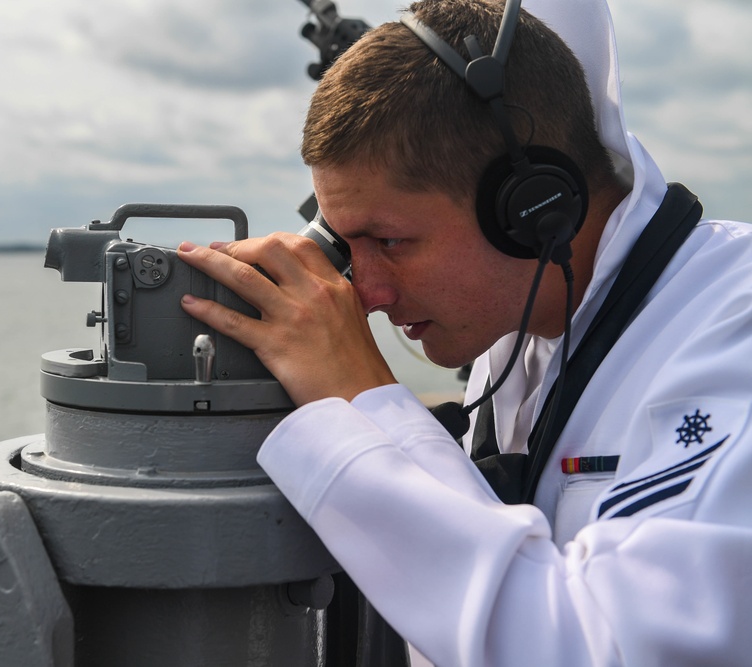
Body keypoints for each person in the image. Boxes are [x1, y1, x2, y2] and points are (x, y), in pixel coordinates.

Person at [177, 0, 752, 664]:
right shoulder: (521, 330)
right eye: (346, 241)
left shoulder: (732, 325)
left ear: (531, 207)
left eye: (390, 239)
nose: (365, 291)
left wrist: (361, 401)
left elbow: (603, 647)